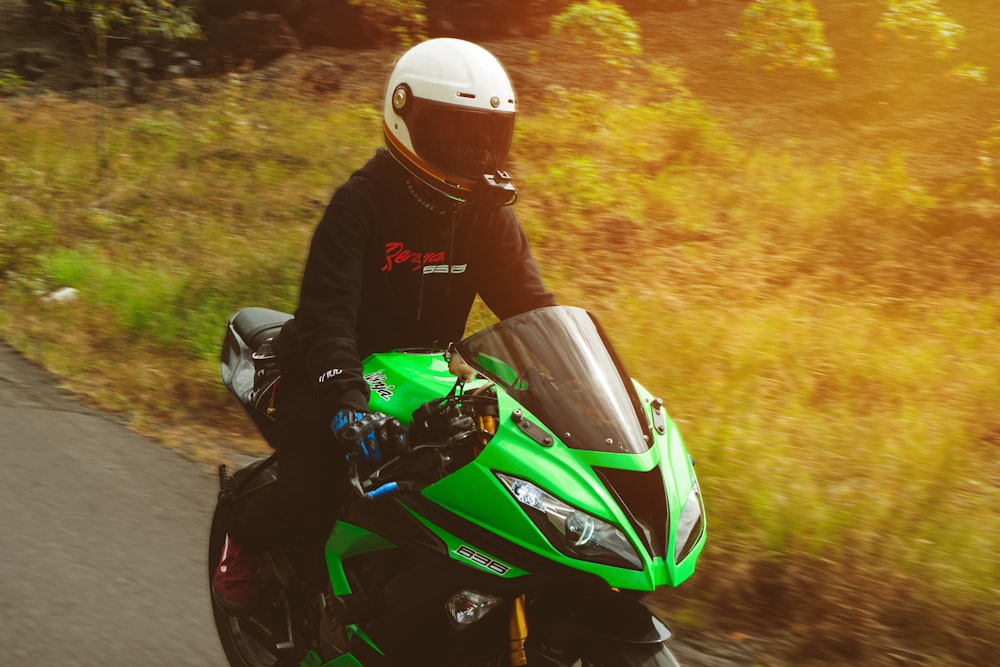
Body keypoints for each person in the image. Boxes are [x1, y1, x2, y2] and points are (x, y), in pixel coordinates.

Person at [212, 37, 556, 612]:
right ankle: (241, 533)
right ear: (404, 115)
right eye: (453, 134)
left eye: (485, 138)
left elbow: (532, 308)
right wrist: (346, 400)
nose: (471, 153)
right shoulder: (361, 203)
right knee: (312, 486)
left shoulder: (486, 213)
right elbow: (328, 313)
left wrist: (572, 384)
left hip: (422, 378)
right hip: (330, 371)